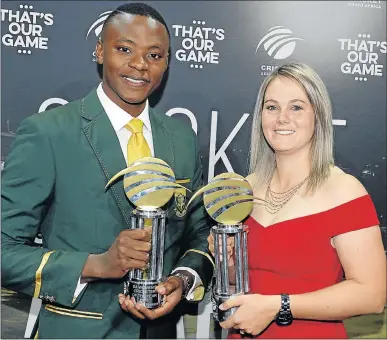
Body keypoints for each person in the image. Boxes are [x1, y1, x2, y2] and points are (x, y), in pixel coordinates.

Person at [1, 3, 214, 339]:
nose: (140, 65)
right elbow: (4, 250)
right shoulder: (50, 133)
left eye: (155, 55)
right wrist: (96, 265)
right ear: (100, 51)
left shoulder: (181, 139)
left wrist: (182, 279)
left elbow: (200, 232)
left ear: (168, 63)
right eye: (125, 49)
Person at [208, 63, 386, 338]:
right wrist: (227, 261)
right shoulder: (245, 188)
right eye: (272, 107)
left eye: (296, 107)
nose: (282, 118)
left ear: (318, 116)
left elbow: (371, 295)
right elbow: (240, 282)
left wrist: (279, 306)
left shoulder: (345, 191)